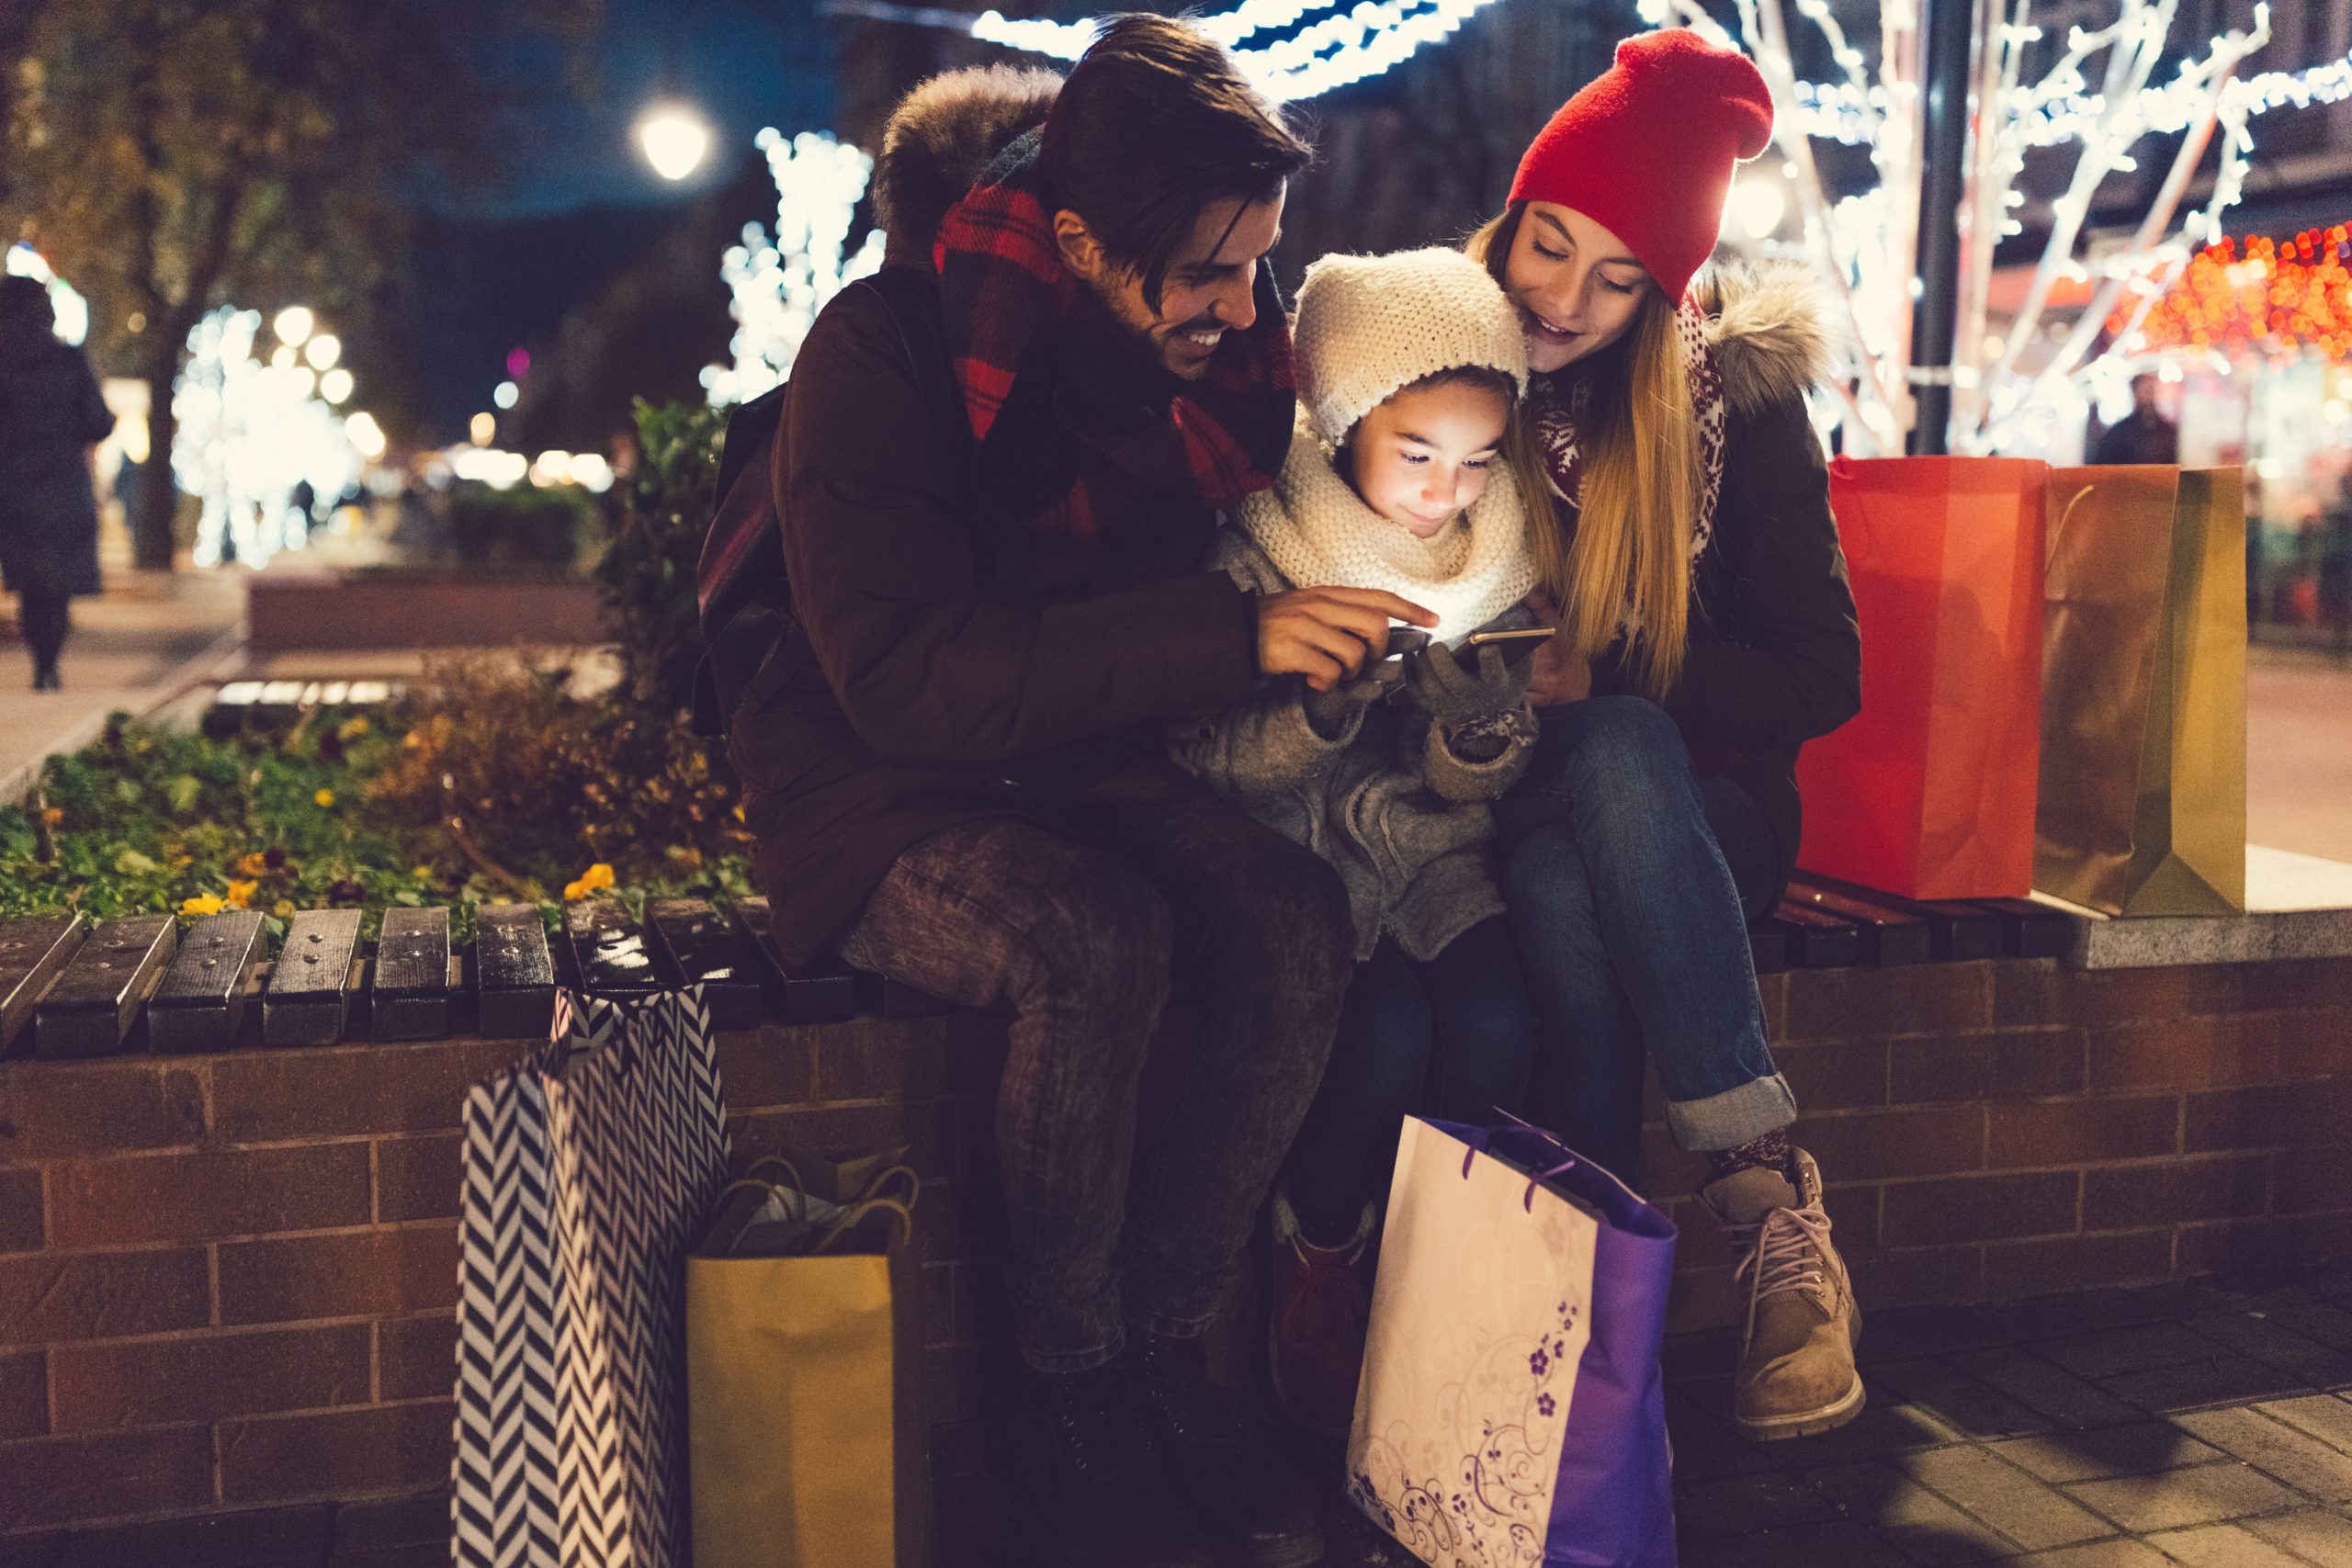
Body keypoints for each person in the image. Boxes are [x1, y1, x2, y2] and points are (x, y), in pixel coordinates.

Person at [725, 24, 1436, 1568]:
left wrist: (1310, 643)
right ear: (1077, 241)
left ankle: (1171, 1349)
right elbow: (910, 677)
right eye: (1203, 271)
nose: (1240, 307)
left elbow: (1195, 605)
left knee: (1295, 917)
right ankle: (1066, 1391)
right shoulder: (885, 354)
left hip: (1084, 763)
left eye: (1257, 261)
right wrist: (1222, 638)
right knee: (1088, 938)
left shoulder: (1213, 382)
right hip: (879, 791)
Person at [1469, 30, 1868, 1441]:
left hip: (1714, 819)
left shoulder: (1738, 406)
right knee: (1574, 851)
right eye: (1551, 246)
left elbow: (1825, 674)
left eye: (1619, 275)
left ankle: (1563, 1339)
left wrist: (1617, 676)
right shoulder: (1440, 368)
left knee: (1621, 770)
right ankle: (1769, 1222)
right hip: (1497, 798)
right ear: (1513, 218)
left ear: (1667, 287)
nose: (1566, 299)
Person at [1170, 246, 1543, 1433]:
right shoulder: (1263, 539)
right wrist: (1325, 705)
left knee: (1495, 1018)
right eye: (1418, 455)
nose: (1448, 492)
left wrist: (1478, 728)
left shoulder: (1497, 558)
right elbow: (1218, 758)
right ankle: (1318, 1241)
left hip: (1437, 864)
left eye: (1478, 461)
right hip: (1306, 863)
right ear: (1341, 428)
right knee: (1377, 1032)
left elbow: (1477, 775)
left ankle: (1434, 1272)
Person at [0, 276, 115, 692]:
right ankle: (49, 664)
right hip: (64, 485)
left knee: (30, 581)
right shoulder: (68, 361)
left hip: (13, 488)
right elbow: (98, 422)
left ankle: (40, 662)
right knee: (58, 582)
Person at [2093, 373, 2180, 465]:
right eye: (2145, 390)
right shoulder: (2119, 432)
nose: (2149, 396)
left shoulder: (2167, 430)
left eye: (2151, 390)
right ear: (2135, 392)